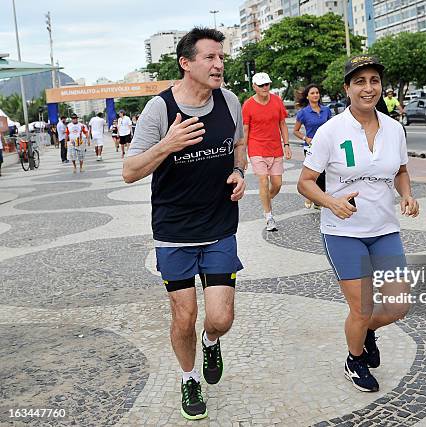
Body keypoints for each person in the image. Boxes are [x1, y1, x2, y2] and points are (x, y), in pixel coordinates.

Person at [122, 27, 246, 421]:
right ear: (186, 63)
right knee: (184, 317)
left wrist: (240, 171)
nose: (219, 65)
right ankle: (189, 377)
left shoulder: (229, 102)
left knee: (220, 318)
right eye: (210, 57)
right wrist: (168, 145)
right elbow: (129, 171)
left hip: (220, 227)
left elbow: (238, 145)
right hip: (174, 233)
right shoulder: (160, 110)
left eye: (221, 58)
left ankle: (211, 342)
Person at [297, 54, 420, 393]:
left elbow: (401, 171)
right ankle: (355, 359)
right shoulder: (330, 131)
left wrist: (407, 195)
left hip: (384, 230)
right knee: (362, 306)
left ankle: (366, 332)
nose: (369, 88)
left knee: (399, 305)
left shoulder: (394, 129)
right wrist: (331, 201)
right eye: (360, 82)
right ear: (347, 88)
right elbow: (305, 182)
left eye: (374, 81)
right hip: (343, 234)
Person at [242, 72, 291, 231]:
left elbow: (282, 124)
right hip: (256, 148)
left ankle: (265, 199)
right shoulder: (248, 105)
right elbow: (245, 130)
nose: (265, 88)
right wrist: (243, 154)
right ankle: (269, 216)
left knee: (277, 184)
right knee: (263, 180)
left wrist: (287, 144)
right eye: (261, 85)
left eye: (267, 84)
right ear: (254, 86)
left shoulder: (277, 101)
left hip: (275, 148)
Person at [293, 83, 332, 208]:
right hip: (310, 147)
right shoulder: (303, 113)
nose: (315, 95)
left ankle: (317, 200)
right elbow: (295, 131)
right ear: (307, 97)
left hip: (326, 146)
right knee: (314, 174)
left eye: (317, 93)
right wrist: (306, 138)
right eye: (312, 93)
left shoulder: (326, 110)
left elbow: (332, 127)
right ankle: (312, 197)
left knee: (325, 174)